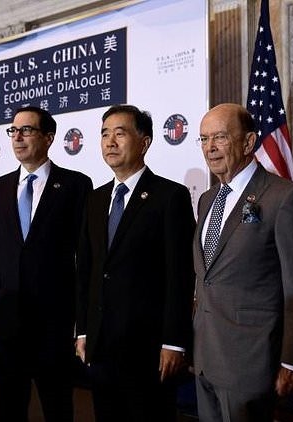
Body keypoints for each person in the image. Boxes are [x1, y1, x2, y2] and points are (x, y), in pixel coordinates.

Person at [193, 103, 293, 421]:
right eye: (204, 139)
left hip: (251, 362)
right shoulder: (208, 199)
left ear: (249, 142)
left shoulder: (284, 198)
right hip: (206, 357)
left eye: (219, 136)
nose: (210, 147)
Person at [75, 105, 195, 421]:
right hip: (101, 347)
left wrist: (174, 342)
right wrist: (84, 331)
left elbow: (180, 276)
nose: (110, 142)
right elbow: (87, 271)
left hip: (149, 348)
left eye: (120, 133)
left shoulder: (170, 196)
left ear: (145, 142)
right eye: (104, 134)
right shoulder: (95, 199)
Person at [0, 106, 93, 421]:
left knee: (58, 406)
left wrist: (84, 320)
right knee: (9, 406)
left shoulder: (76, 185)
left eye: (27, 130)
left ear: (48, 137)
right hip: (6, 319)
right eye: (14, 131)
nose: (18, 137)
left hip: (54, 321)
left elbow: (87, 257)